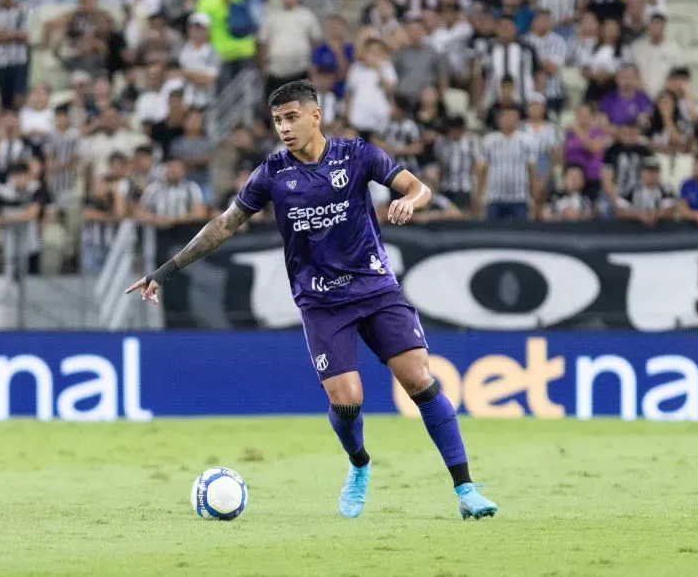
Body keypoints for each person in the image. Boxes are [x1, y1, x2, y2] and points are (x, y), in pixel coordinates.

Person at [124, 80, 498, 521]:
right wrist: (165, 271)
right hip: (322, 302)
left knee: (419, 378)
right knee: (347, 399)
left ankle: (466, 489)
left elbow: (418, 187)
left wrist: (410, 201)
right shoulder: (271, 173)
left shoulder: (357, 155)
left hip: (375, 288)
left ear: (315, 116)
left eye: (291, 117)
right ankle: (359, 464)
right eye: (277, 120)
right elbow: (224, 225)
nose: (284, 128)